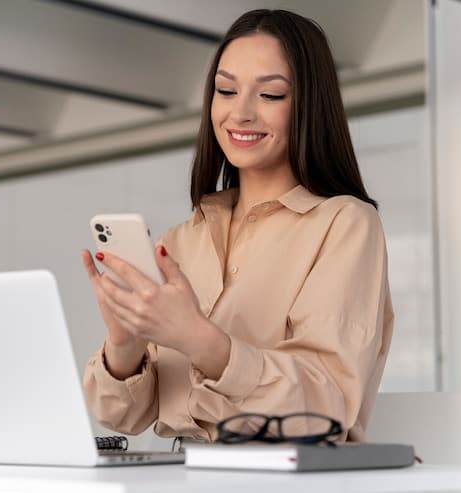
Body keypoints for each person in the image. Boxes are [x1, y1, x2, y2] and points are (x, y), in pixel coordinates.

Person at [80, 8, 393, 443]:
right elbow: (122, 417)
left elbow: (329, 404)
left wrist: (199, 339)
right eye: (226, 90)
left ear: (309, 105)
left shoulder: (345, 224)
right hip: (178, 474)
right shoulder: (180, 241)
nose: (240, 113)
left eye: (270, 95)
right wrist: (125, 344)